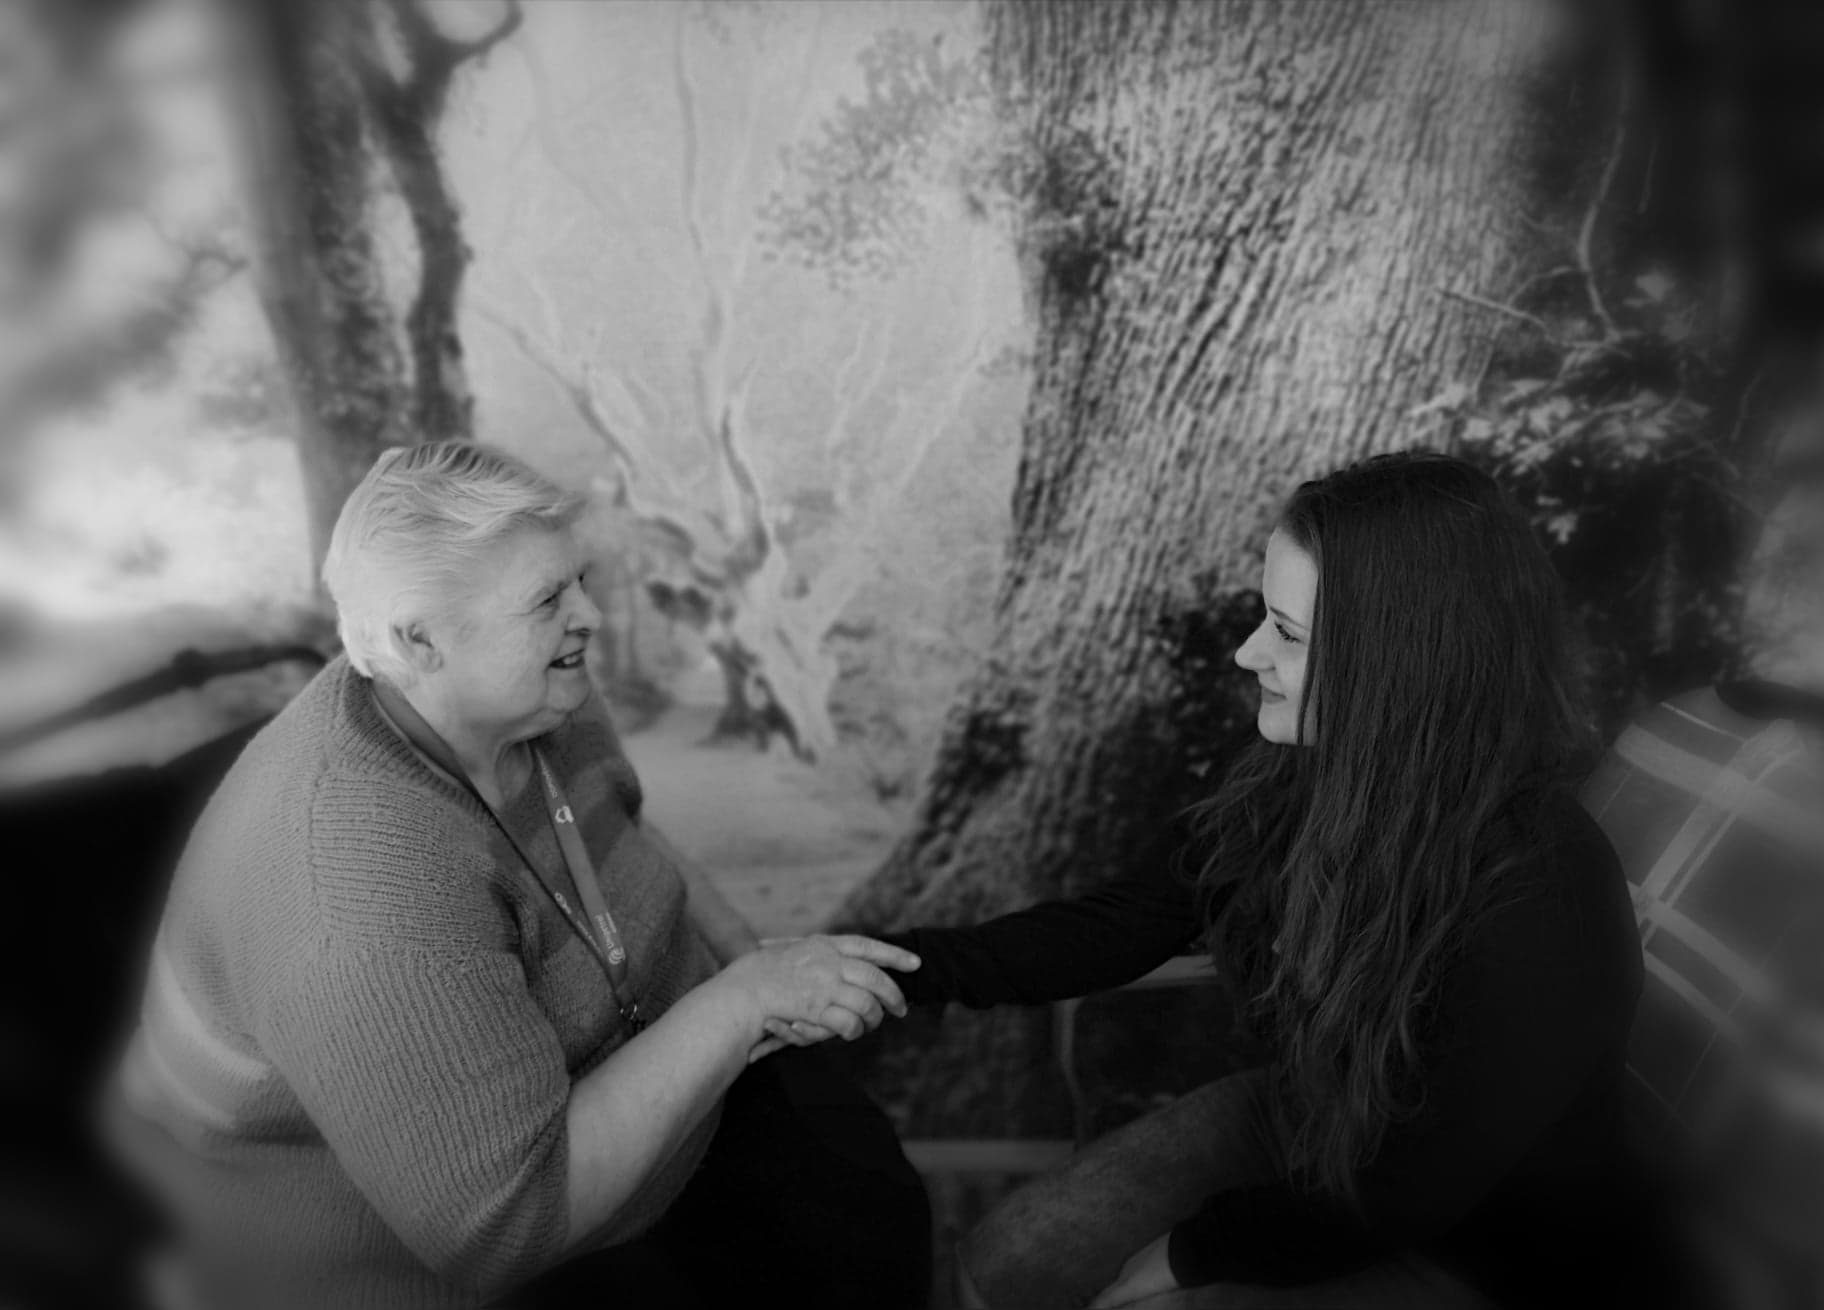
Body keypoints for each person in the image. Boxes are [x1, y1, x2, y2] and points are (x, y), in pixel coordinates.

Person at [788, 451, 1653, 1308]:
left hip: (1479, 1251)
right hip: (1320, 1128)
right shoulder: (1300, 778)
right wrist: (885, 966)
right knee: (1003, 1266)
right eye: (1263, 618)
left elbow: (1410, 1191)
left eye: (1288, 634)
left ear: (1401, 662)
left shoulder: (1546, 894)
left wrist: (1193, 1253)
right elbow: (1115, 925)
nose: (1248, 653)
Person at [103, 441, 930, 1310]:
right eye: (547, 600)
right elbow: (510, 1231)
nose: (590, 617)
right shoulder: (353, 892)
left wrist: (758, 971)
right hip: (450, 1263)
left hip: (674, 1109)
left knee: (868, 1202)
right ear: (419, 640)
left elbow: (626, 837)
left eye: (579, 581)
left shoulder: (531, 692)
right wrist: (744, 1001)